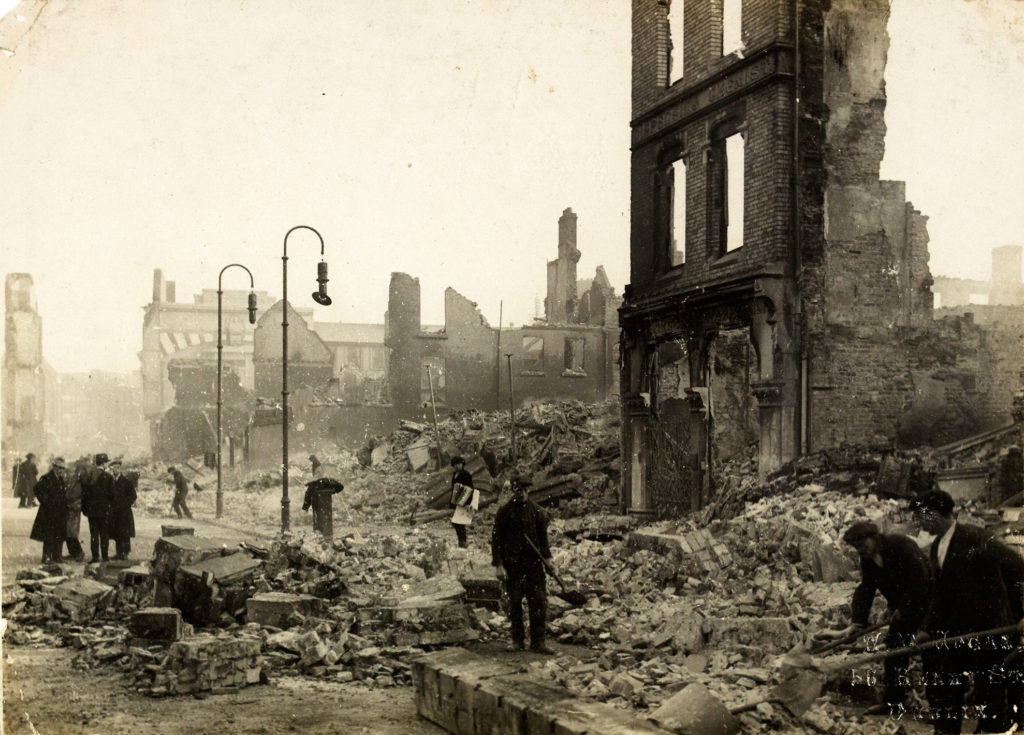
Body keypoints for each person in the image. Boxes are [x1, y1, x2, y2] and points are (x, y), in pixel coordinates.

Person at [910, 489, 1024, 734]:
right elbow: (940, 595)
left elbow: (1017, 567)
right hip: (955, 633)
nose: (918, 522)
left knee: (989, 694)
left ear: (933, 514)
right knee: (946, 690)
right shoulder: (937, 546)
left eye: (920, 516)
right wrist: (927, 629)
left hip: (989, 630)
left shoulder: (975, 536)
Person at [818, 521, 931, 714]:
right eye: (856, 546)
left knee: (931, 653)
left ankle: (939, 708)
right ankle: (893, 704)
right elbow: (866, 589)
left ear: (875, 538)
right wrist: (857, 622)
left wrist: (902, 608)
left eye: (863, 544)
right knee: (894, 653)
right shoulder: (868, 559)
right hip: (902, 611)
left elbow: (920, 580)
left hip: (929, 604)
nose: (859, 549)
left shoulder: (901, 546)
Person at [491, 471, 554, 654]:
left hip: (534, 565)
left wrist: (548, 561)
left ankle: (538, 642)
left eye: (525, 490)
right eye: (518, 490)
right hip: (513, 566)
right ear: (513, 491)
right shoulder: (504, 512)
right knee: (515, 602)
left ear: (529, 491)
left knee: (539, 601)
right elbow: (496, 541)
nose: (522, 493)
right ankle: (517, 640)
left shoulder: (537, 512)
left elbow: (543, 540)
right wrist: (499, 565)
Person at [29, 457, 68, 563]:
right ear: (54, 467)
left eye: (63, 468)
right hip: (49, 512)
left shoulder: (60, 479)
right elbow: (36, 489)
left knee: (59, 535)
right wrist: (45, 501)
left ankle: (57, 556)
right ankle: (46, 556)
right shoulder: (46, 478)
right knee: (49, 535)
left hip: (59, 512)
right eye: (59, 468)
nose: (61, 470)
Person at [81, 453, 113, 562]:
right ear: (103, 464)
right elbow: (112, 495)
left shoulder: (90, 476)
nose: (107, 465)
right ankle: (105, 556)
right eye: (106, 463)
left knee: (93, 534)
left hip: (92, 511)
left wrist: (84, 509)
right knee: (104, 534)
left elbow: (84, 494)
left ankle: (95, 557)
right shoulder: (108, 477)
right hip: (104, 511)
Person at [107, 460, 137, 560]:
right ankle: (119, 553)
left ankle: (126, 553)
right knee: (117, 533)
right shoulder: (111, 481)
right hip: (114, 512)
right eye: (113, 468)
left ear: (120, 469)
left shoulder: (126, 481)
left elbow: (133, 496)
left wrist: (125, 505)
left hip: (124, 512)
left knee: (125, 533)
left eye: (116, 468)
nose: (114, 470)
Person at [62, 458, 87, 562]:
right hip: (69, 508)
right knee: (68, 532)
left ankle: (78, 553)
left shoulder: (81, 480)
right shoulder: (73, 479)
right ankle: (73, 553)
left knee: (72, 532)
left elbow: (82, 496)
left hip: (74, 509)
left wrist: (75, 505)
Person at [449, 456, 476, 549]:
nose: (457, 466)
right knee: (456, 523)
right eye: (455, 465)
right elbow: (453, 490)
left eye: (459, 464)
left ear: (462, 464)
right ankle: (461, 541)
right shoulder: (454, 475)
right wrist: (451, 504)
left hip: (464, 502)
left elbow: (470, 489)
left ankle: (463, 542)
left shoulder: (466, 475)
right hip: (456, 501)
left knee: (460, 523)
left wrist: (468, 503)